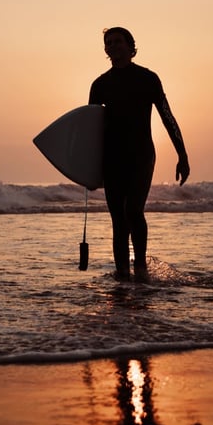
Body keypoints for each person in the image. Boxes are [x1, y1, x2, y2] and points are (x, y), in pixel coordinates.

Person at [89, 27, 189, 281]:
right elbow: (90, 130)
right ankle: (123, 274)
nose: (112, 46)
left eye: (118, 41)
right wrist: (86, 169)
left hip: (141, 154)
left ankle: (141, 270)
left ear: (130, 46)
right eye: (108, 42)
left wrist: (182, 154)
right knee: (118, 219)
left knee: (133, 211)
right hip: (112, 158)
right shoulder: (100, 85)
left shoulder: (148, 79)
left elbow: (167, 117)